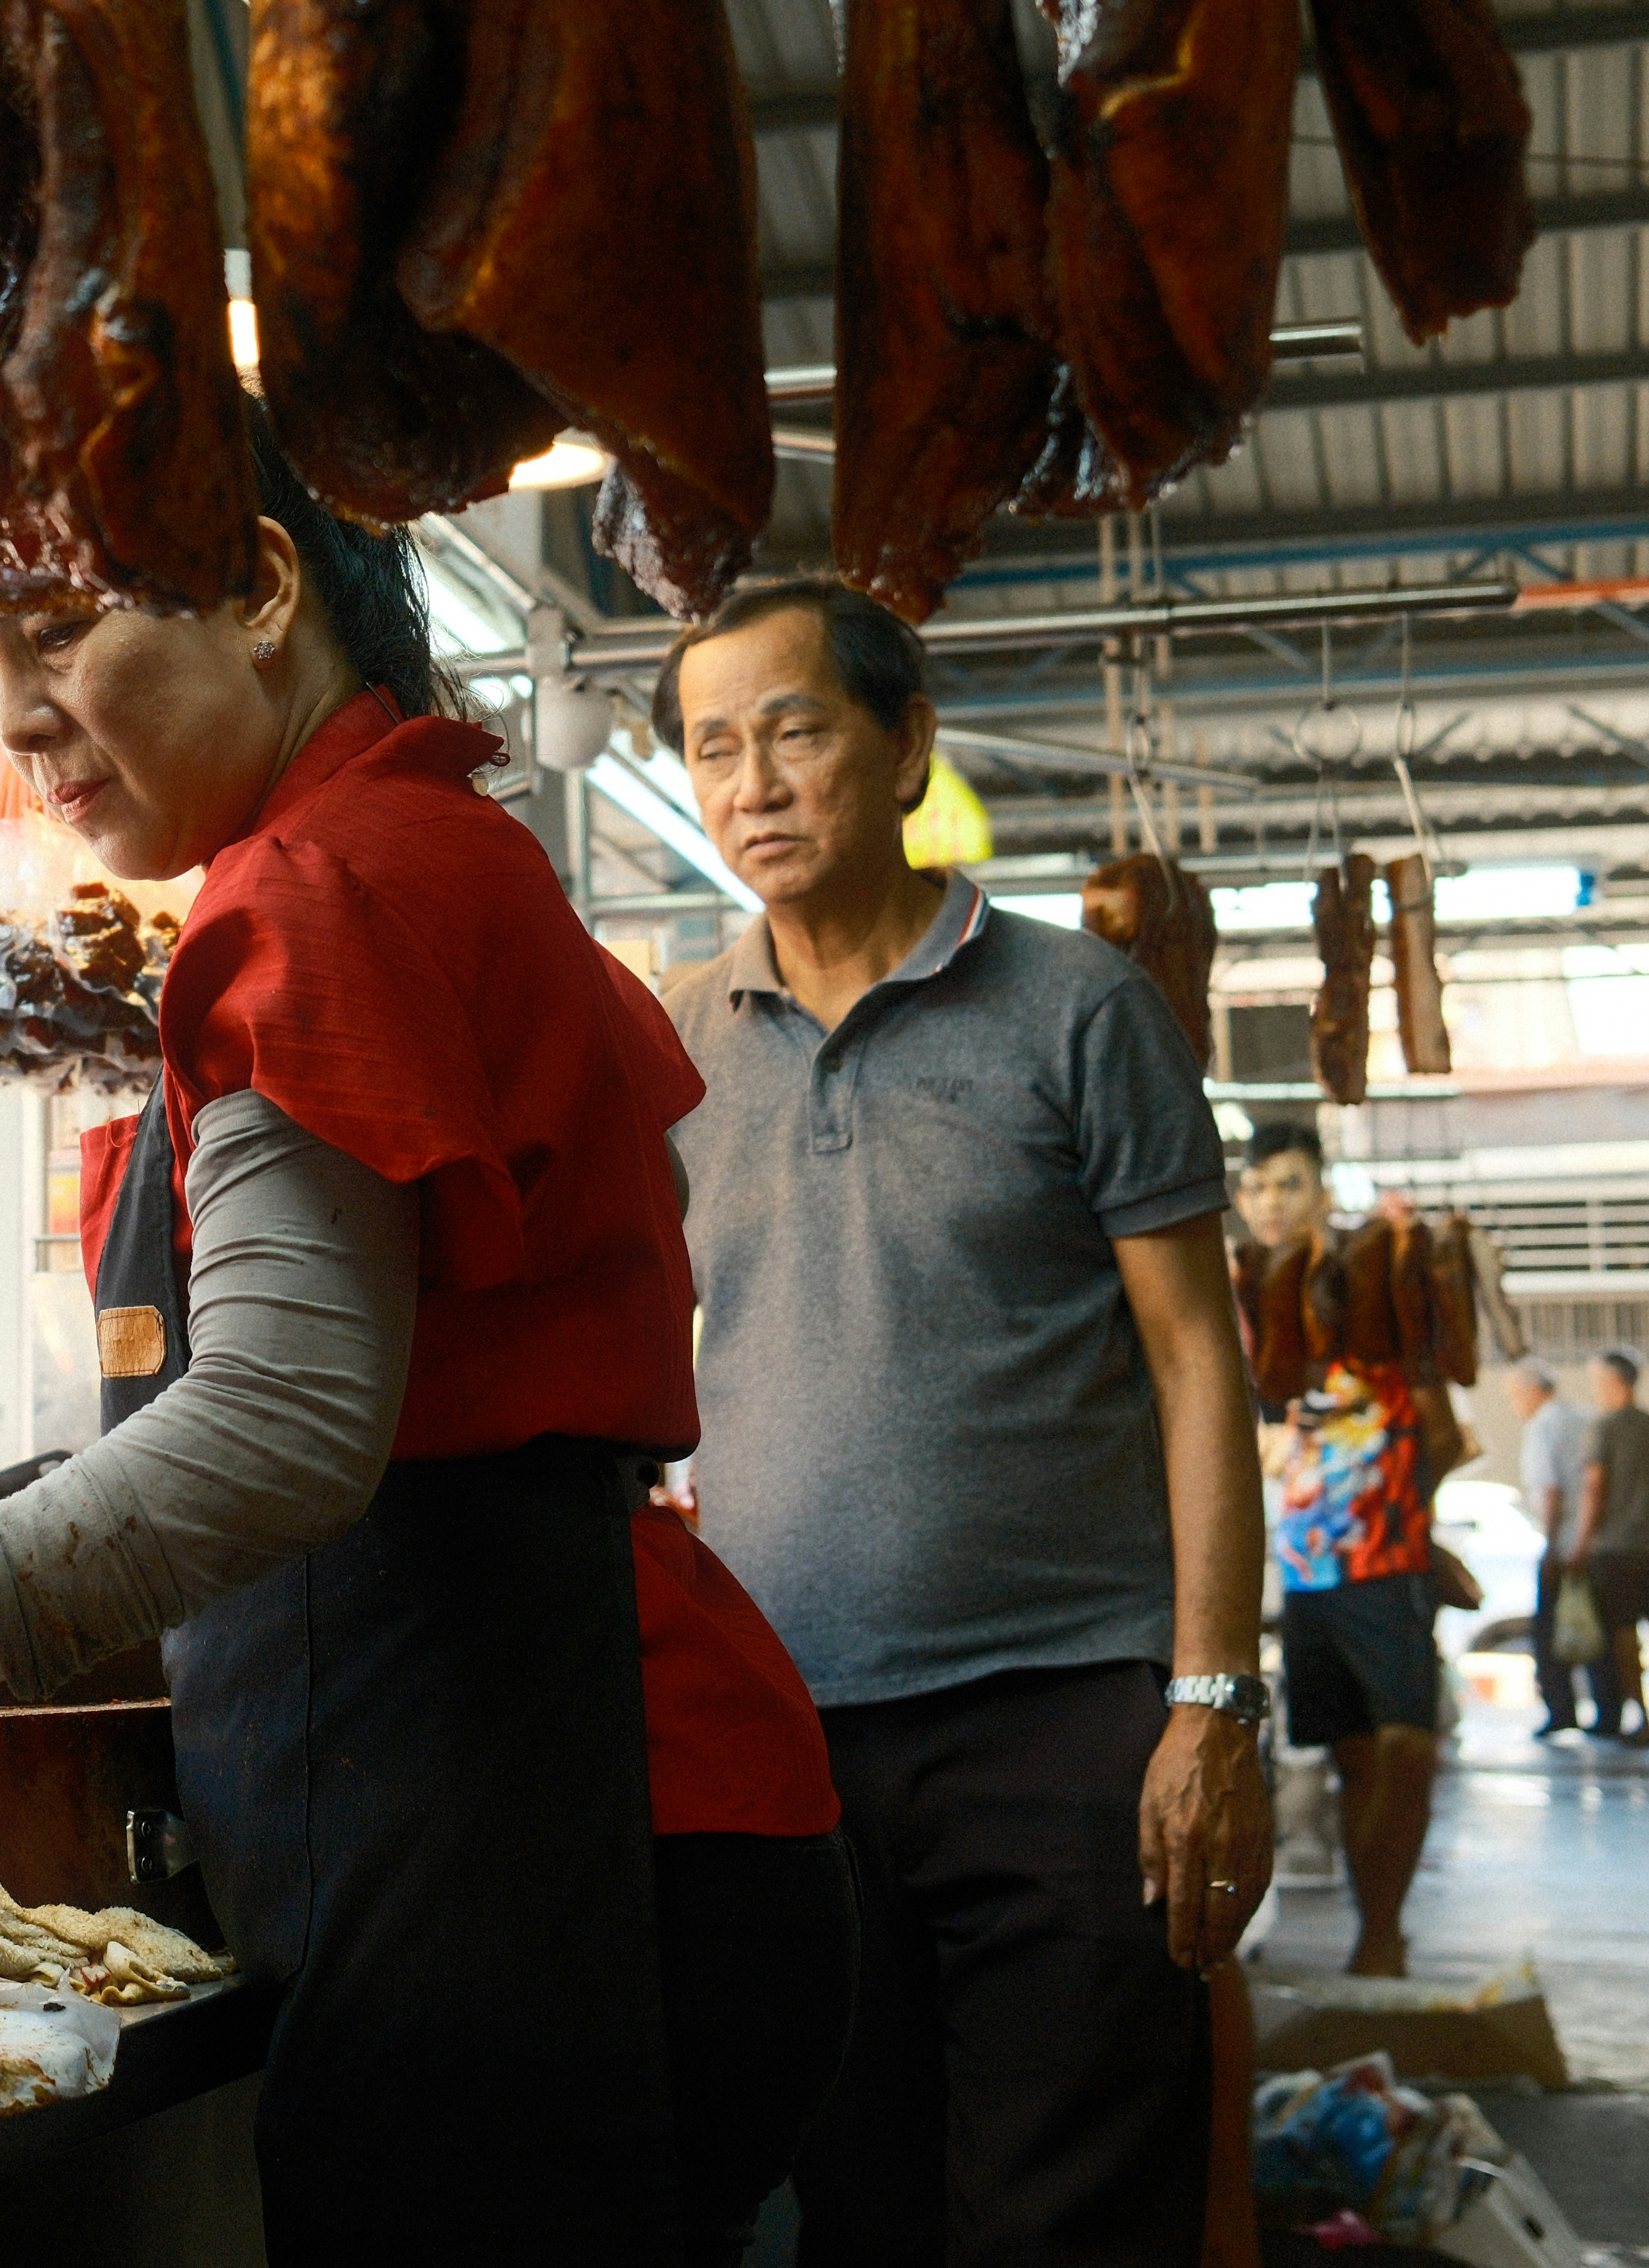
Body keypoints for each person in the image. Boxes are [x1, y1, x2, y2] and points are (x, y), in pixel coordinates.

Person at [0, 433, 858, 2259]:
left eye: (57, 637)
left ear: (260, 590)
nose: (19, 722)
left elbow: (277, 1423)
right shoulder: (439, 845)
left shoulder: (320, 884)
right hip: (617, 1802)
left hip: (542, 1836)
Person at [655, 576, 1271, 2264]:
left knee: (1072, 2222)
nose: (752, 785)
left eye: (793, 731)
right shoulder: (676, 1044)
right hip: (790, 1743)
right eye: (713, 748)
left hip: (1064, 1724)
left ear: (905, 743)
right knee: (860, 2218)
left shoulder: (1078, 1008)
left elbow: (1197, 1360)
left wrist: (1212, 1699)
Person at [1237, 1121, 1442, 1979]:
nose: (1271, 1201)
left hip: (1387, 1559)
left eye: (1289, 1183)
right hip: (1306, 1569)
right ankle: (1376, 1933)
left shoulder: (1370, 1268)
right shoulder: (1246, 1295)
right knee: (1352, 1757)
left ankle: (1383, 1935)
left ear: (1322, 1189)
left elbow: (1438, 1408)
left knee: (1406, 1748)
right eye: (1256, 1187)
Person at [1570, 1350, 1649, 1742]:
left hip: (1615, 1549)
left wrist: (1580, 1545)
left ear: (1612, 1381)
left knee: (1624, 1634)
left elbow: (1595, 1489)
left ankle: (1644, 1721)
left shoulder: (1603, 1428)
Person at [1499, 1357, 1590, 1737]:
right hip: (1590, 1540)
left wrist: (1552, 1548)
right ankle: (1608, 1712)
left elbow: (1550, 1491)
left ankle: (1561, 1709)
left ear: (1532, 1391)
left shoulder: (1543, 1426)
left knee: (1550, 1631)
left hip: (1563, 1540)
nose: (1514, 1405)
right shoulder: (1586, 1418)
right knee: (1591, 1626)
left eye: (1515, 1396)